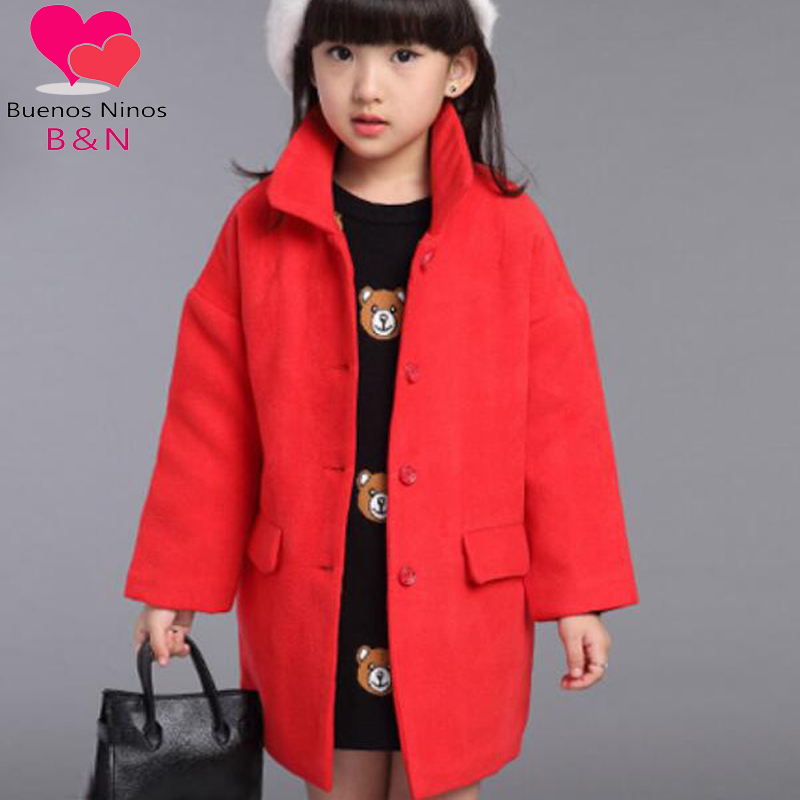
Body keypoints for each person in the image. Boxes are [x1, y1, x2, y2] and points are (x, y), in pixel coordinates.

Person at [126, 1, 640, 798]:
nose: (367, 86)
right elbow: (210, 423)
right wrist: (176, 585)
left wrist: (579, 599)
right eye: (340, 52)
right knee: (338, 779)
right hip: (317, 593)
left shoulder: (511, 232)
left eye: (403, 56)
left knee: (445, 778)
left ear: (457, 71)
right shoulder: (260, 229)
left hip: (460, 595)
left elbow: (561, 426)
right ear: (305, 63)